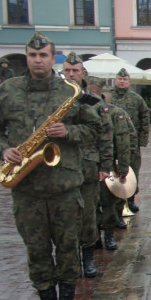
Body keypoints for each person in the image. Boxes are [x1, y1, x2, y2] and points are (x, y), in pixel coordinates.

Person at [0, 32, 101, 300]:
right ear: (27, 57)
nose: (38, 60)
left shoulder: (68, 91)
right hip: (26, 187)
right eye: (33, 55)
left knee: (68, 245)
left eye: (43, 55)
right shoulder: (7, 91)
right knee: (36, 248)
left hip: (64, 186)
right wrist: (3, 149)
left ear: (52, 57)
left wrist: (69, 133)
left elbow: (95, 127)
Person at [62, 53, 113, 277]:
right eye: (67, 71)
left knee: (88, 214)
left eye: (75, 71)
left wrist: (106, 165)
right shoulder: (56, 98)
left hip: (88, 166)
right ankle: (68, 261)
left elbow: (105, 134)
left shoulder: (94, 101)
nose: (71, 74)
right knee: (64, 216)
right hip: (61, 167)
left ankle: (88, 257)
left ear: (84, 73)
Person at [87, 76, 134, 252]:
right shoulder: (79, 109)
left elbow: (122, 142)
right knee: (89, 206)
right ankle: (93, 237)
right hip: (85, 166)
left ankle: (108, 234)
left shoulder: (113, 112)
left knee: (107, 203)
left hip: (107, 165)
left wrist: (123, 168)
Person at [109, 68, 149, 213]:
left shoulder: (136, 98)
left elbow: (145, 117)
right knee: (112, 171)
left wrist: (142, 140)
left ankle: (130, 199)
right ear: (115, 80)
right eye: (120, 79)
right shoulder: (108, 97)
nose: (122, 81)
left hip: (131, 143)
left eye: (125, 79)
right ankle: (113, 201)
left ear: (129, 82)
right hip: (111, 143)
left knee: (133, 170)